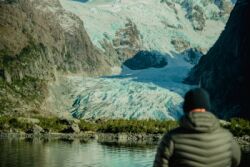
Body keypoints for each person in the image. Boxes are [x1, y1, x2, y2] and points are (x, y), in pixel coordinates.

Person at [153, 88, 241, 167]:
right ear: (207, 107)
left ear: (185, 108)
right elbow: (236, 161)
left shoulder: (172, 138)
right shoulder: (227, 137)